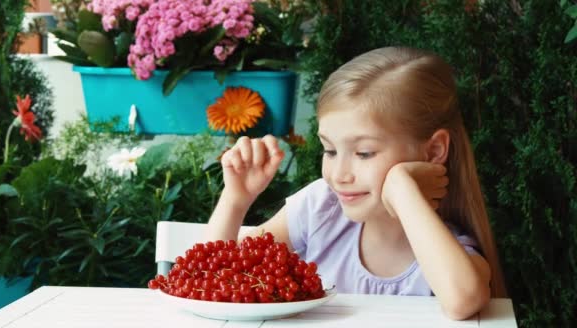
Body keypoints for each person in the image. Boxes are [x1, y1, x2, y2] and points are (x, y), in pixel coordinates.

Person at [205, 47, 507, 320]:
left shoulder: (446, 256)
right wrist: (235, 201)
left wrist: (403, 190)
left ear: (434, 151)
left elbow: (463, 300)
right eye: (330, 150)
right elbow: (214, 275)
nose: (339, 174)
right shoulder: (320, 208)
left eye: (364, 153)